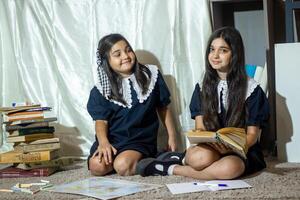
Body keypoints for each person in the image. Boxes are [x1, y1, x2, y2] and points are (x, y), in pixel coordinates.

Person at [136, 27, 269, 179]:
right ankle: (186, 159)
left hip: (242, 150)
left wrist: (231, 146)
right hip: (212, 146)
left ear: (235, 54)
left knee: (230, 169)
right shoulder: (203, 85)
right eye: (212, 50)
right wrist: (207, 141)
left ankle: (170, 168)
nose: (215, 55)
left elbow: (252, 135)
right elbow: (200, 127)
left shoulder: (251, 89)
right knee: (198, 159)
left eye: (223, 50)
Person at [87, 33, 177, 176]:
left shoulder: (151, 75)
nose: (126, 56)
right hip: (113, 140)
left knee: (122, 166)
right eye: (117, 54)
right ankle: (122, 160)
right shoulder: (102, 89)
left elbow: (163, 108)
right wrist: (104, 143)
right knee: (96, 167)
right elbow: (101, 121)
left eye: (128, 50)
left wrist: (172, 136)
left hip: (139, 139)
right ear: (107, 61)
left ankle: (150, 161)